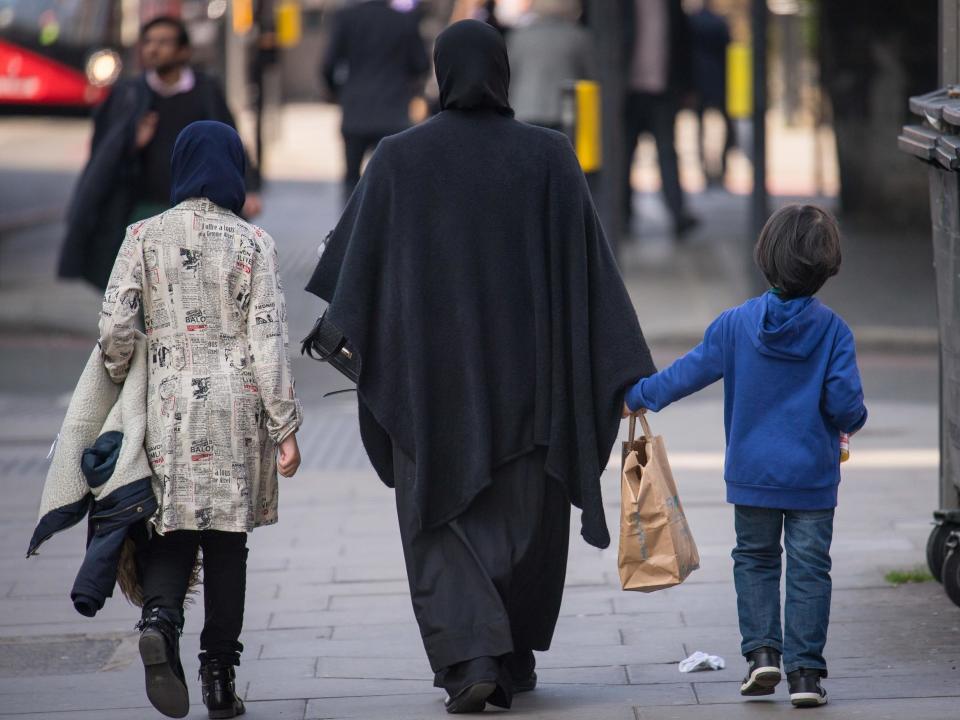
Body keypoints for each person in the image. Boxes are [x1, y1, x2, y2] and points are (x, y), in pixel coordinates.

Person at [306, 20, 655, 714]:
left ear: (440, 73)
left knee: (440, 518)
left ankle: (472, 658)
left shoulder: (400, 160)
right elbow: (594, 279)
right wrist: (622, 372)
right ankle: (508, 653)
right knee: (525, 525)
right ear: (502, 70)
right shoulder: (549, 156)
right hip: (533, 388)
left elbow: (355, 279)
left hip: (430, 390)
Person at [623, 205, 868, 708]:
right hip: (811, 480)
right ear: (828, 267)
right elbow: (846, 406)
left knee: (755, 560)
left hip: (752, 475)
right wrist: (852, 419)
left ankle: (762, 658)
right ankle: (806, 676)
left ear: (765, 258)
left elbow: (686, 374)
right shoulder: (834, 331)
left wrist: (638, 394)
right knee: (809, 568)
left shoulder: (735, 325)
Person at [98, 121, 303, 720]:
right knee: (226, 544)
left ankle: (160, 620)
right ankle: (219, 677)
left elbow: (114, 327)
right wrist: (285, 427)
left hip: (166, 409)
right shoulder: (253, 244)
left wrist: (122, 371)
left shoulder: (142, 236)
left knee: (172, 528)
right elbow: (268, 342)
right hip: (236, 412)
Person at [59, 15, 262, 290]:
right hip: (143, 209)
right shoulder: (130, 93)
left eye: (163, 42)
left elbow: (231, 141)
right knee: (141, 292)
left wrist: (248, 188)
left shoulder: (204, 91)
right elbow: (103, 155)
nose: (153, 49)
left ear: (184, 51)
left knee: (194, 293)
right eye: (149, 42)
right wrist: (133, 142)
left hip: (197, 214)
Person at [321, 0, 430, 202]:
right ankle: (390, 230)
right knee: (393, 181)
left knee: (352, 179)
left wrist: (338, 93)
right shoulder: (404, 21)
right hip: (393, 113)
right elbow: (421, 64)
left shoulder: (346, 18)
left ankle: (351, 229)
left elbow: (328, 66)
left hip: (356, 110)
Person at [620, 0, 699, 237]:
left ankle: (678, 213)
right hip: (629, 92)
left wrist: (687, 87)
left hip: (663, 90)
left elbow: (684, 44)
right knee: (623, 155)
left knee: (667, 153)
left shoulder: (671, 5)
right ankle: (622, 216)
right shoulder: (621, 5)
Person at [507, 0, 593, 131]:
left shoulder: (518, 36)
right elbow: (589, 75)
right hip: (564, 111)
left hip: (524, 108)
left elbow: (508, 75)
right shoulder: (578, 36)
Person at [690, 0, 735, 187]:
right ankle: (721, 168)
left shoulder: (693, 22)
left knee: (700, 128)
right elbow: (727, 49)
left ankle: (706, 170)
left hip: (699, 80)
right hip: (718, 80)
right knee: (726, 127)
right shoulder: (719, 22)